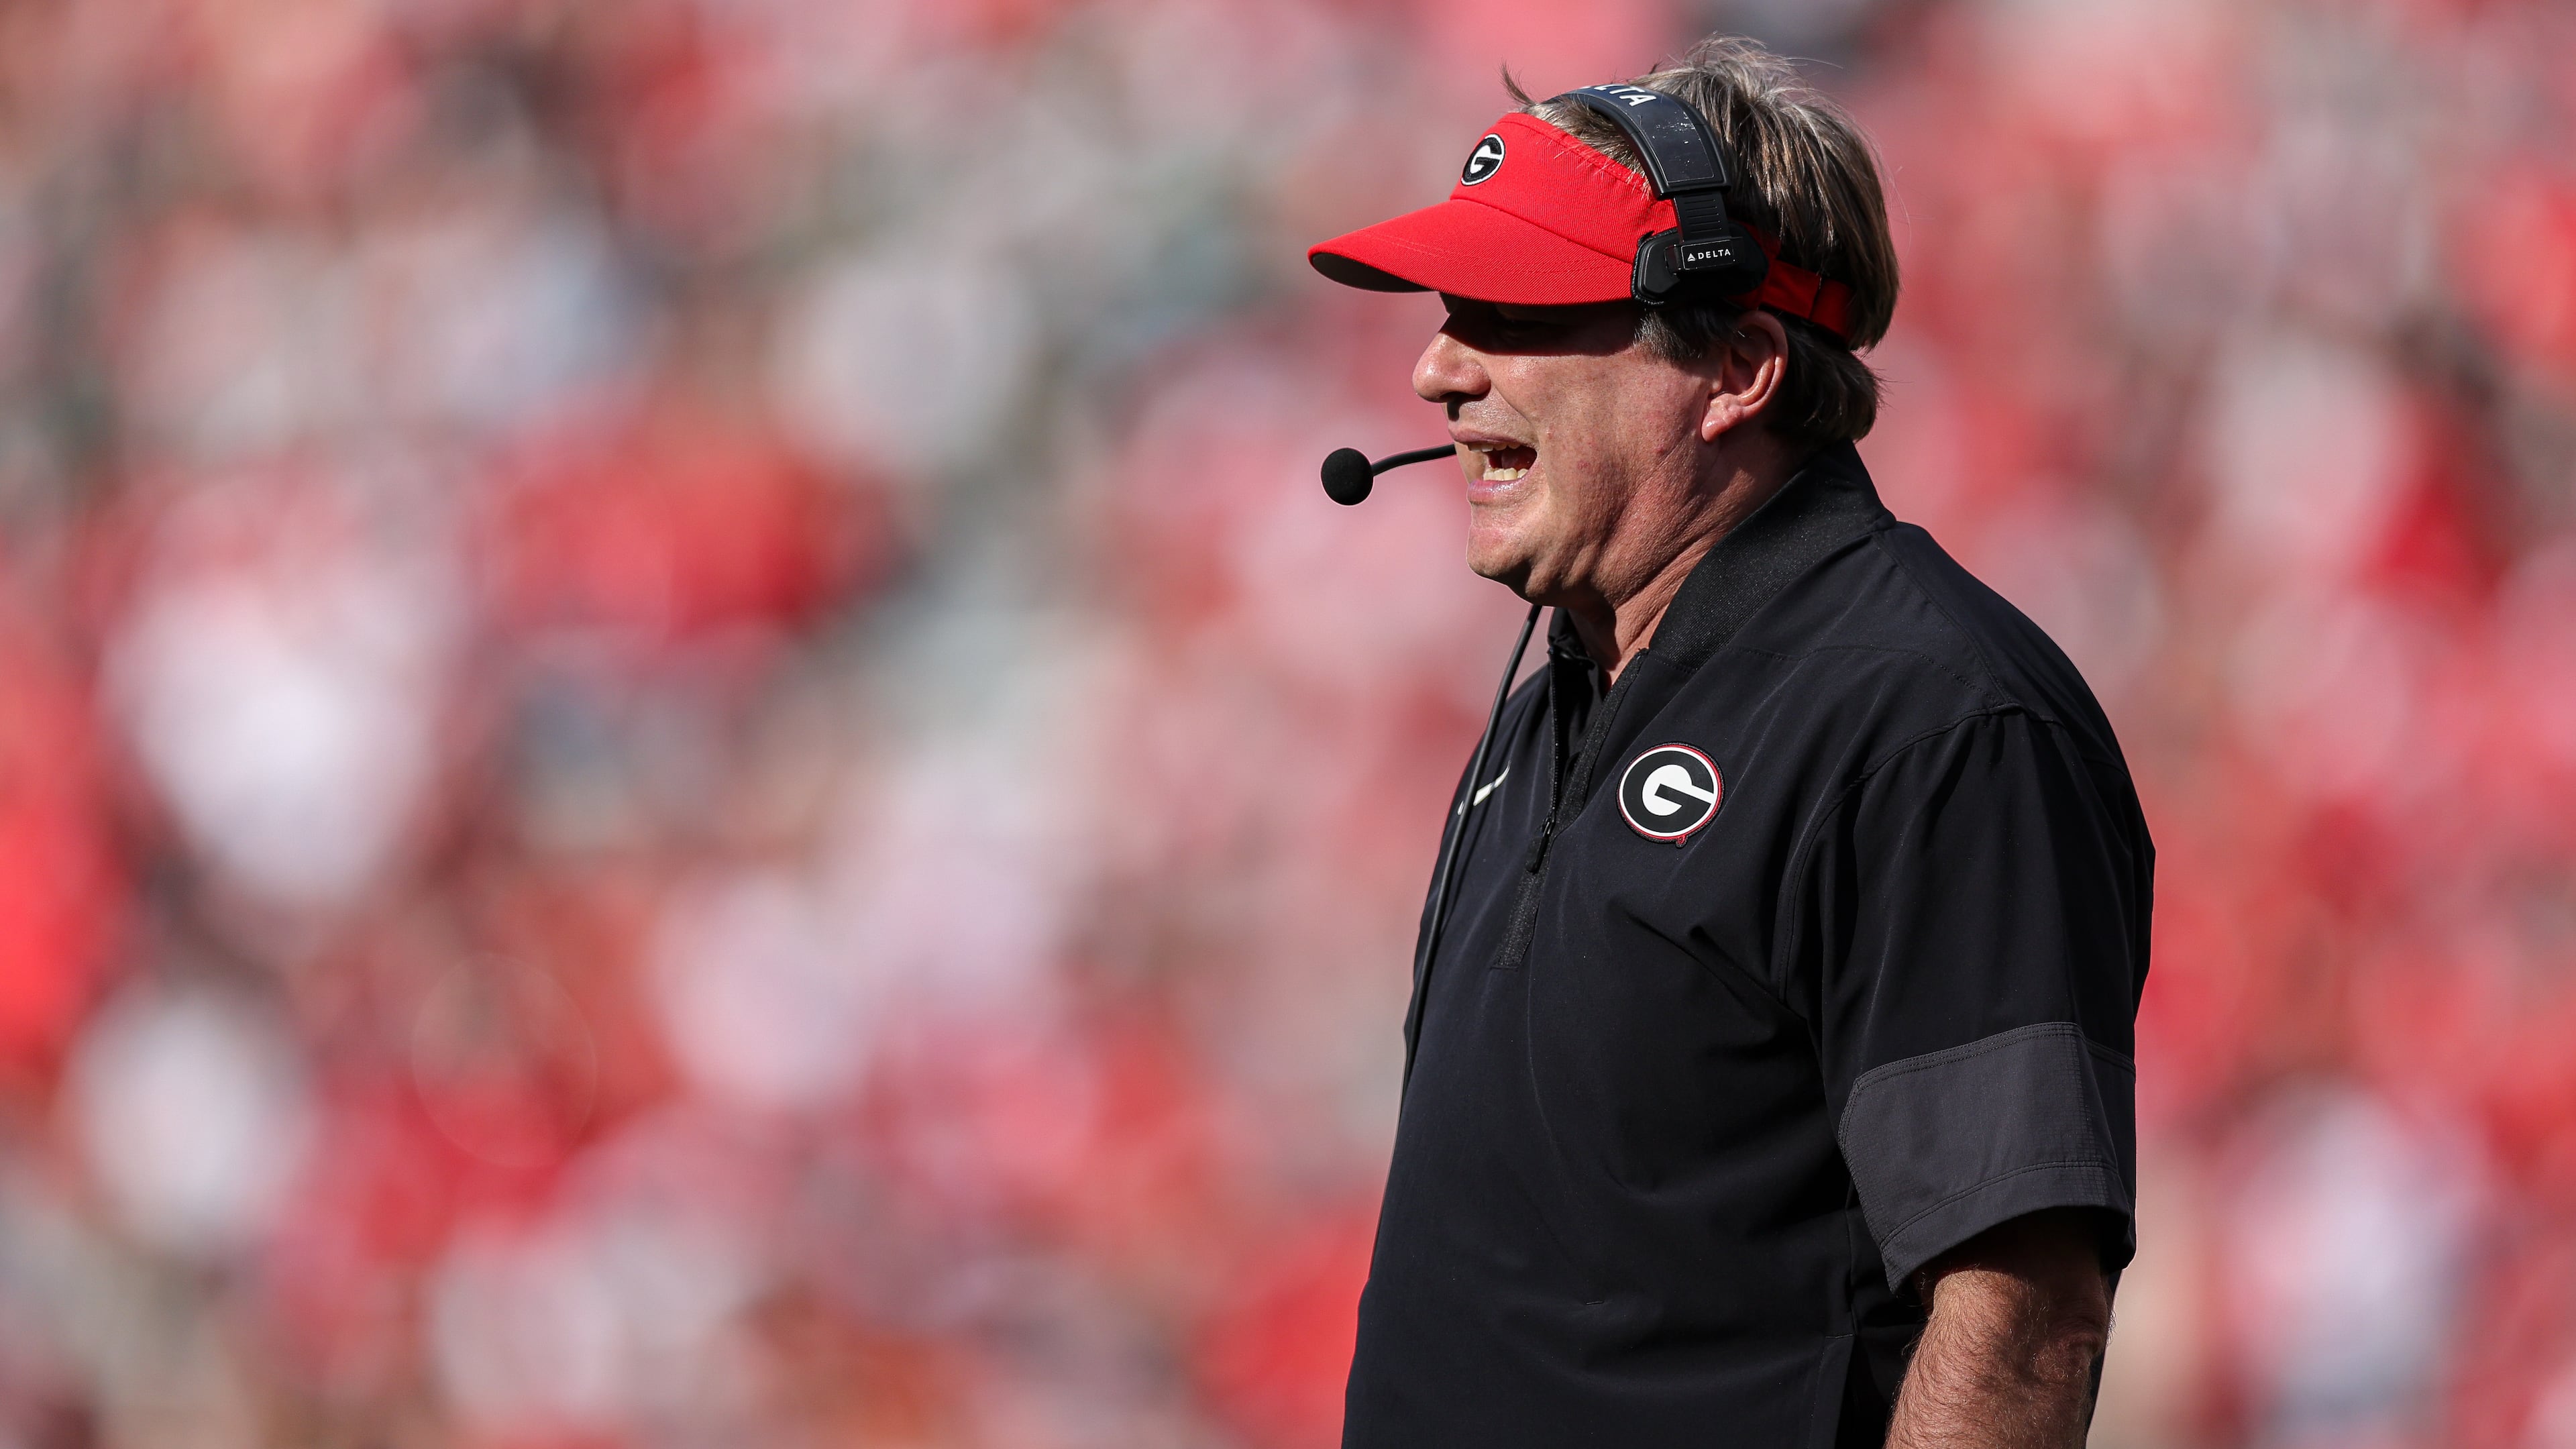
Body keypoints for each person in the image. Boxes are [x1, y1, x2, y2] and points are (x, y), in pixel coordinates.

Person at [1304, 36, 2151, 1449]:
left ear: (1739, 367)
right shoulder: (1558, 698)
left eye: (1515, 311)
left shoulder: (1932, 721)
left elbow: (2021, 1318)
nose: (1436, 372)